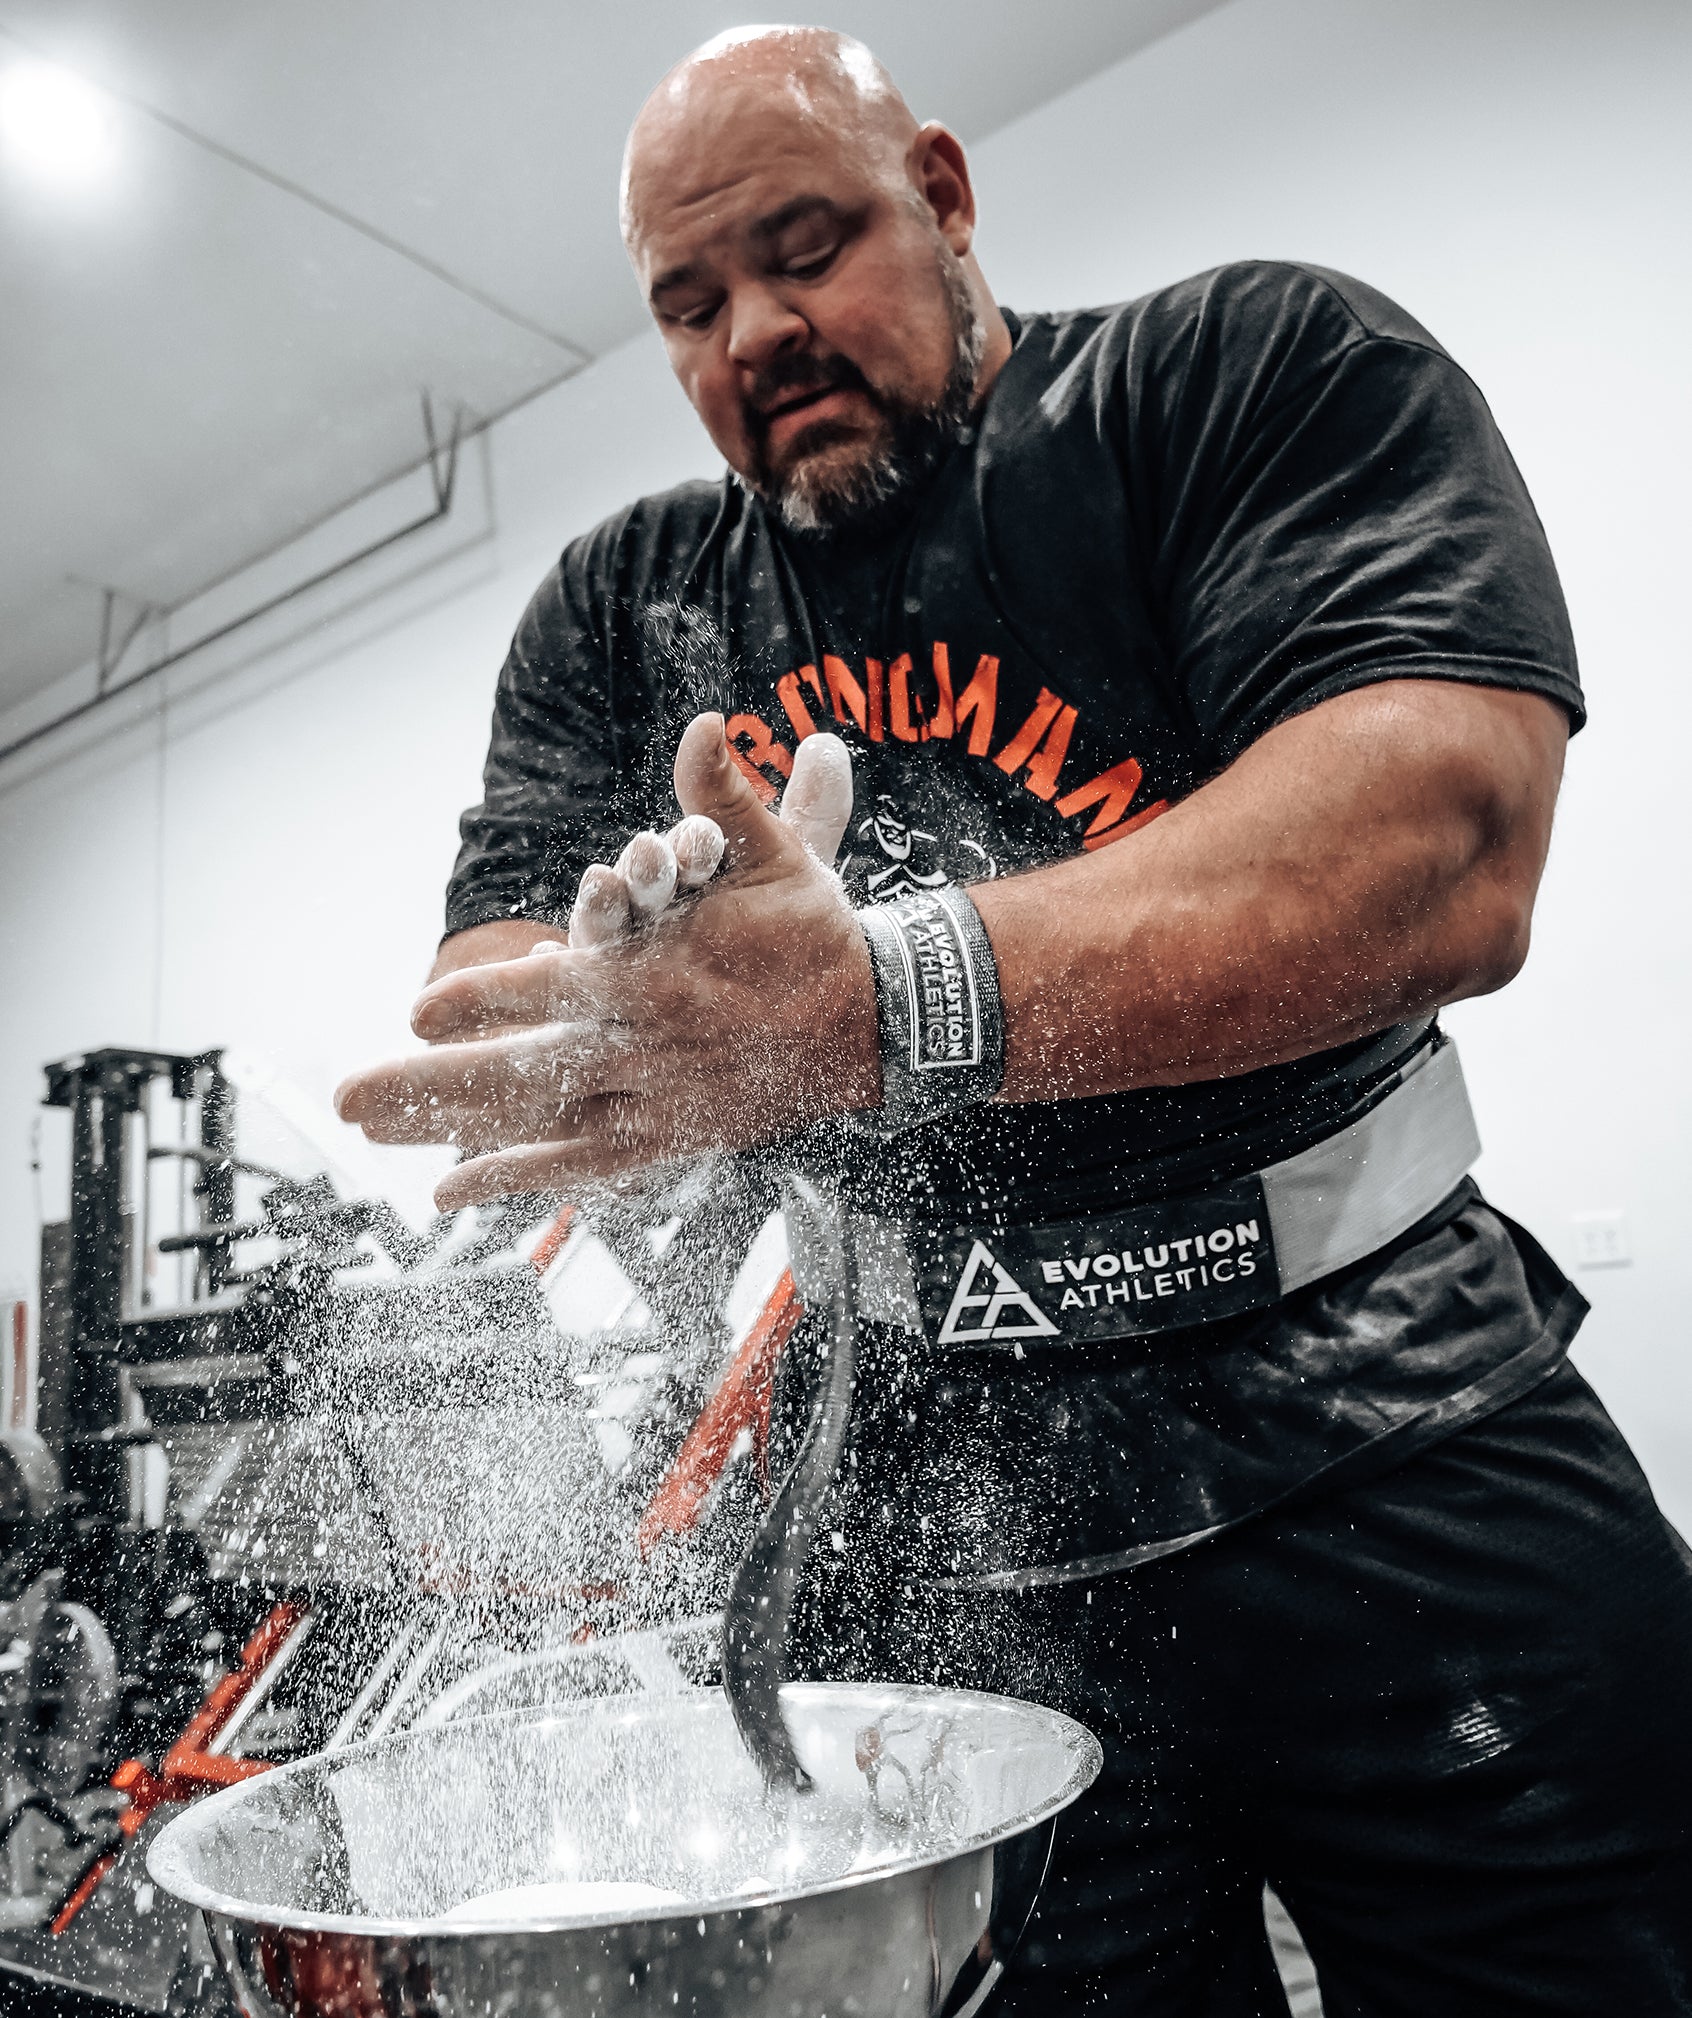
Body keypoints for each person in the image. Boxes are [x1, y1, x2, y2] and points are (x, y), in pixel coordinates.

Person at [335, 25, 1692, 2012]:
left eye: (806, 246)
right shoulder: (622, 604)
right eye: (690, 305)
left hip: (1385, 1427)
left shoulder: (1242, 375)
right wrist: (646, 977)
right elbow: (483, 1001)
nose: (759, 332)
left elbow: (1443, 834)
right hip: (929, 1512)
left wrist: (878, 996)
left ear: (946, 197)